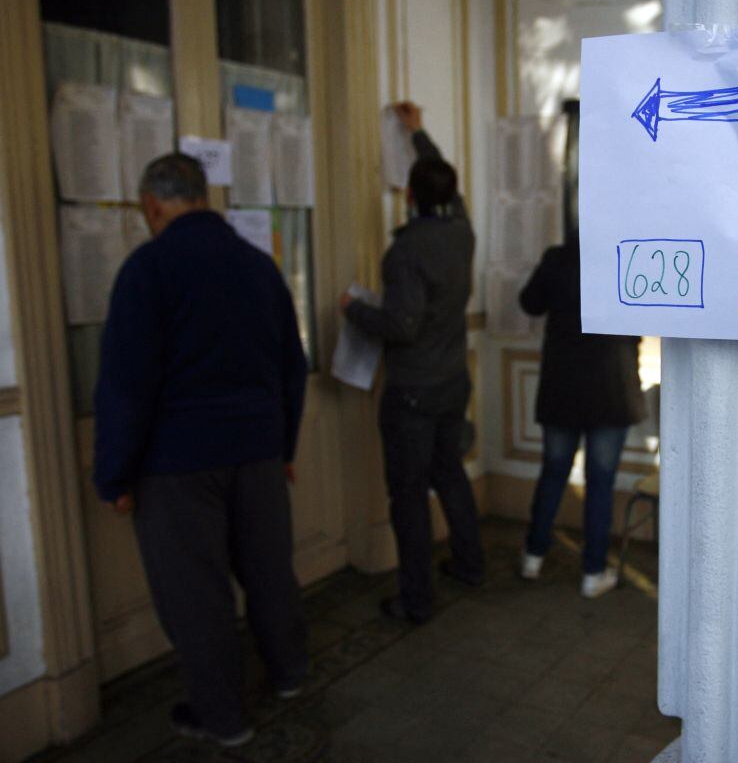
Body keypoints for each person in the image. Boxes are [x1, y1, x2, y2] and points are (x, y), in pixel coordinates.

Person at [93, 153, 309, 747]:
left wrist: (114, 476)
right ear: (203, 196)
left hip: (178, 464)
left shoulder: (148, 270)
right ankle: (290, 673)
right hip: (259, 449)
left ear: (152, 205)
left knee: (197, 595)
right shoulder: (258, 267)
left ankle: (224, 717)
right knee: (269, 570)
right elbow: (292, 367)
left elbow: (126, 386)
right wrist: (283, 446)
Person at [340, 101, 484, 623]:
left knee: (407, 495)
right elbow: (450, 190)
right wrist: (418, 135)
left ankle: (417, 599)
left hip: (414, 393)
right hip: (452, 382)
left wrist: (353, 309)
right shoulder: (462, 232)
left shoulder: (406, 252)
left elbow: (401, 326)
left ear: (408, 196)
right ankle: (469, 564)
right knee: (450, 474)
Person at [518, 230, 646, 598]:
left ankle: (533, 556)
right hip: (611, 388)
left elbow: (529, 303)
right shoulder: (627, 255)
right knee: (600, 482)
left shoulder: (557, 258)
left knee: (553, 471)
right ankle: (593, 572)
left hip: (562, 387)